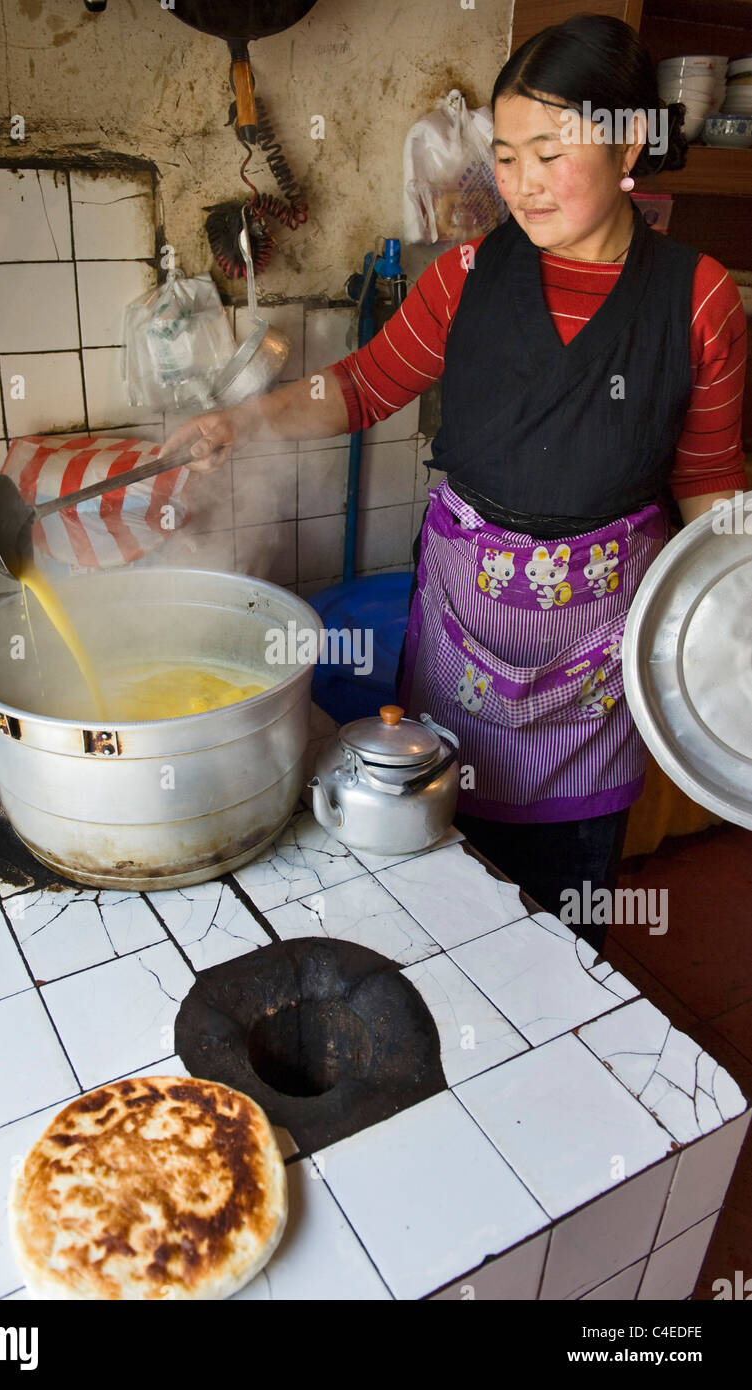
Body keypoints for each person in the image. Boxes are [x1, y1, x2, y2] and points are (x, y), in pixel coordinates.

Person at [162, 14, 747, 952]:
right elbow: (359, 386)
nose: (519, 184)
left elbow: (710, 482)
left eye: (549, 152)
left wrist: (735, 634)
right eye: (506, 155)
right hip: (461, 630)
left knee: (564, 910)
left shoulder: (697, 296)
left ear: (629, 138)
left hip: (598, 651)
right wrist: (243, 420)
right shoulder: (466, 276)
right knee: (437, 885)